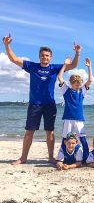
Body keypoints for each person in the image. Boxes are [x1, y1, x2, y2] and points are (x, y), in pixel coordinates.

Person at [2, 34, 81, 165]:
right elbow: (14, 59)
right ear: (39, 56)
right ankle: (23, 157)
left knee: (50, 131)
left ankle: (50, 157)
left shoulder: (55, 68)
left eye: (47, 55)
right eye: (43, 55)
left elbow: (72, 65)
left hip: (49, 104)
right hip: (35, 104)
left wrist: (77, 53)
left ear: (50, 57)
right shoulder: (32, 66)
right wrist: (7, 45)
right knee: (29, 132)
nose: (45, 57)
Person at [57, 57, 93, 163]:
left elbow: (90, 80)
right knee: (65, 139)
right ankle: (62, 157)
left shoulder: (82, 91)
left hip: (79, 119)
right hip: (68, 118)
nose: (78, 86)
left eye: (79, 84)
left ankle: (86, 158)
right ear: (72, 83)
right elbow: (59, 77)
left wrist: (89, 67)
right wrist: (65, 65)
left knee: (83, 139)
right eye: (76, 84)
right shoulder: (66, 90)